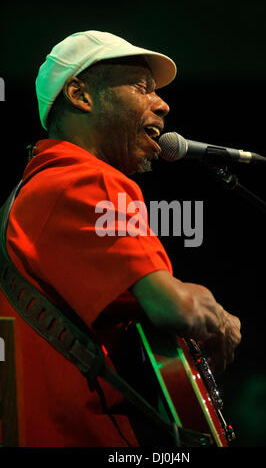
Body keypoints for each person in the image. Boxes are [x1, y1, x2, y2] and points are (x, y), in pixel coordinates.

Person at [0, 30, 241, 447]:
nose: (163, 103)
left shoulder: (34, 190)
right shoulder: (86, 178)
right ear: (81, 95)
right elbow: (174, 307)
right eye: (140, 87)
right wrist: (220, 317)